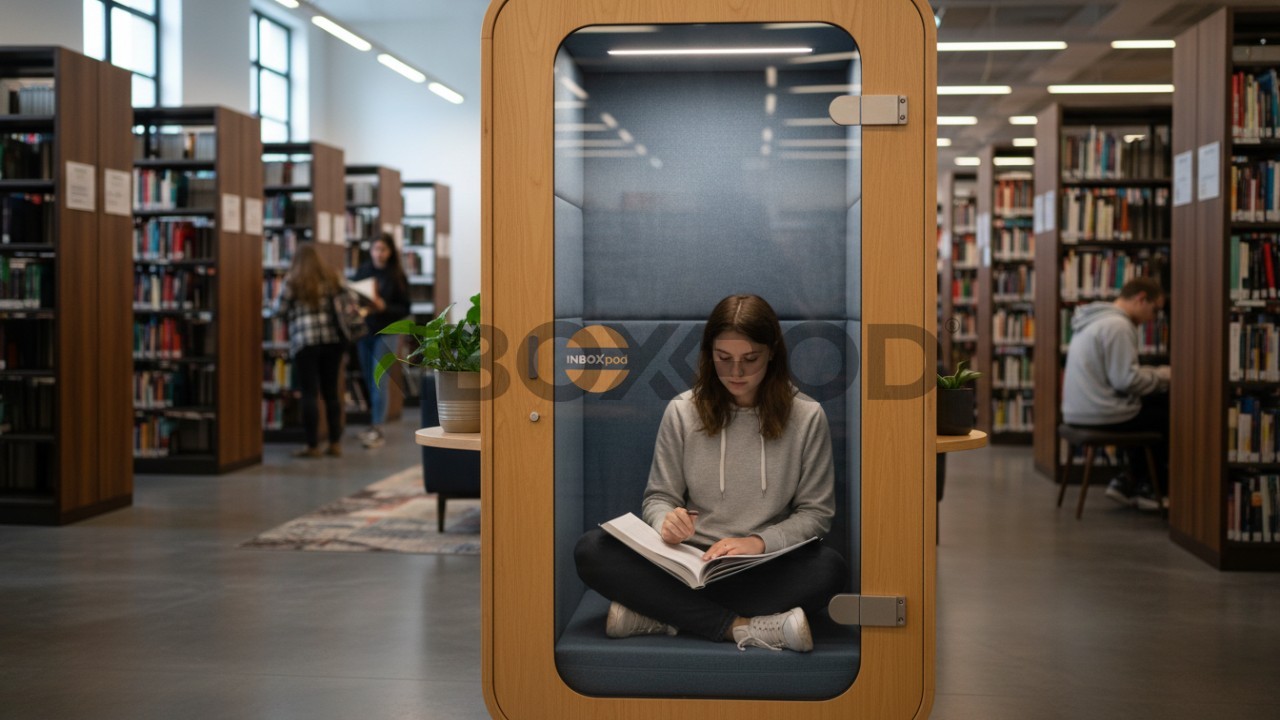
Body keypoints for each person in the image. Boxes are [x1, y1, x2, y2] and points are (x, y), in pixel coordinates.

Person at [574, 294, 847, 653]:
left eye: (750, 360)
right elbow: (659, 498)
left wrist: (758, 543)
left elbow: (816, 513)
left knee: (829, 569)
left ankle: (662, 616)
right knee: (592, 550)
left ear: (772, 354)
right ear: (709, 355)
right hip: (687, 567)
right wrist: (666, 522)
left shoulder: (807, 416)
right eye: (723, 359)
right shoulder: (683, 411)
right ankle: (739, 627)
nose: (736, 372)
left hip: (761, 567)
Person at [1061, 276, 1171, 510]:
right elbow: (1126, 381)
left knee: (1142, 410)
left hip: (1079, 411)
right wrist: (1163, 376)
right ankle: (1151, 488)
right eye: (1155, 309)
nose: (1154, 318)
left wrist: (1151, 373)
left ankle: (1127, 481)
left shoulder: (1096, 320)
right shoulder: (1118, 325)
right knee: (1167, 418)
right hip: (1101, 412)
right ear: (1141, 299)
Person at [275, 243, 348, 459]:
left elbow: (279, 310)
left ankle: (312, 445)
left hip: (305, 341)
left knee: (309, 392)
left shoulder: (293, 280)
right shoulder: (332, 278)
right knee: (331, 392)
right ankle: (335, 442)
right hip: (332, 341)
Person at [349, 233, 411, 449]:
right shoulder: (364, 271)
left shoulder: (396, 276)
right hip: (365, 331)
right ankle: (372, 424)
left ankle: (378, 427)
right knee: (367, 377)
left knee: (380, 380)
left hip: (387, 332)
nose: (379, 253)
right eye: (375, 249)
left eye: (383, 249)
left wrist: (385, 307)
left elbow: (405, 308)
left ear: (390, 251)